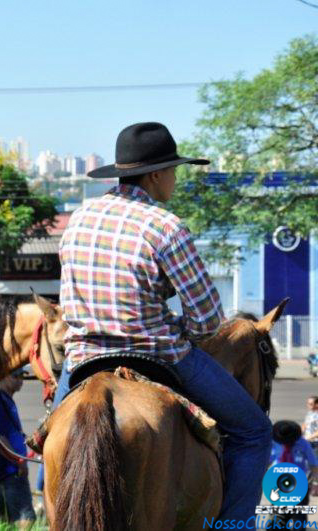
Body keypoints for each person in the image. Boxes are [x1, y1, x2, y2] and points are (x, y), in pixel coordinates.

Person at [53, 122, 272, 522]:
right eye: (173, 170)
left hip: (83, 357)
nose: (175, 178)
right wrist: (175, 325)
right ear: (155, 175)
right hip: (159, 354)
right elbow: (207, 319)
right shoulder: (166, 226)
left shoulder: (79, 218)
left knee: (50, 436)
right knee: (254, 432)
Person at [0, 369, 36, 527]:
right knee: (26, 518)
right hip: (12, 472)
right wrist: (19, 462)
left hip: (9, 471)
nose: (20, 380)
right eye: (15, 376)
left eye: (22, 376)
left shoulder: (4, 400)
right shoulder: (0, 403)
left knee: (2, 521)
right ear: (2, 376)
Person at [268, 420, 318, 528]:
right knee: (276, 519)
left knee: (299, 517)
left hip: (299, 483)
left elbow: (313, 464)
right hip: (278, 483)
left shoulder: (303, 443)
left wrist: (315, 483)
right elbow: (268, 461)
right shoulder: (275, 443)